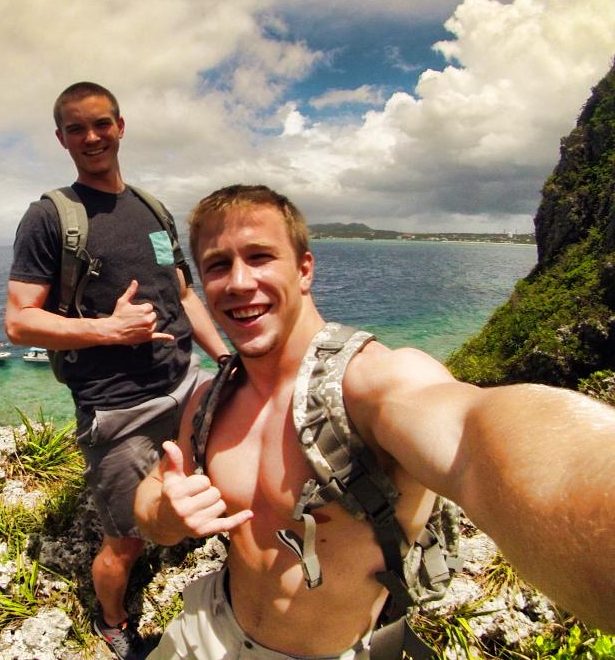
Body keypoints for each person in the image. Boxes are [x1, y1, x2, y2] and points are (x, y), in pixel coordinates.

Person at [134, 184, 615, 659]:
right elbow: (156, 497)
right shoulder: (208, 399)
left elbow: (473, 434)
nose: (238, 282)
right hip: (205, 625)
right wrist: (166, 516)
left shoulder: (371, 382)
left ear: (304, 269)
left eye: (259, 257)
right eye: (219, 265)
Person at [4, 82, 229, 660]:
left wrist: (225, 357)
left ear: (121, 126)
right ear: (61, 139)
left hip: (186, 386)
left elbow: (183, 295)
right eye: (76, 129)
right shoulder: (51, 218)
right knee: (124, 542)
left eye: (101, 123)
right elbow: (19, 322)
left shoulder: (153, 208)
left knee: (207, 485)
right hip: (120, 410)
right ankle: (112, 622)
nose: (91, 137)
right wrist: (110, 330)